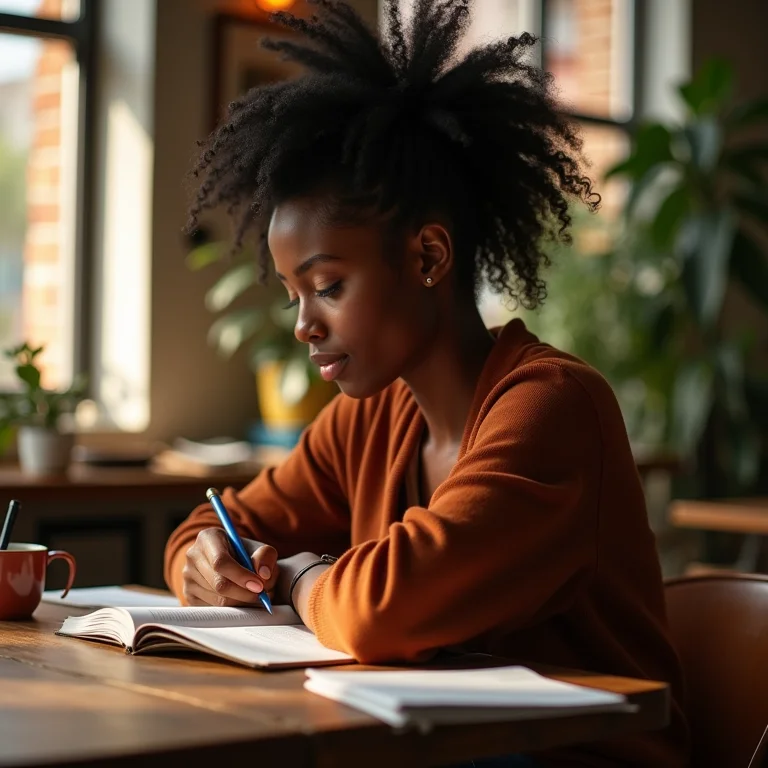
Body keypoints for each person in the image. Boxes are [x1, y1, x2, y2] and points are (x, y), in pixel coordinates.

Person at [165, 1, 689, 765]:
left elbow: (382, 610)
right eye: (293, 297)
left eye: (329, 286)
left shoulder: (551, 408)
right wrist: (204, 563)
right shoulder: (367, 419)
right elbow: (205, 528)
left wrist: (301, 572)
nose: (304, 324)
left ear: (429, 258)